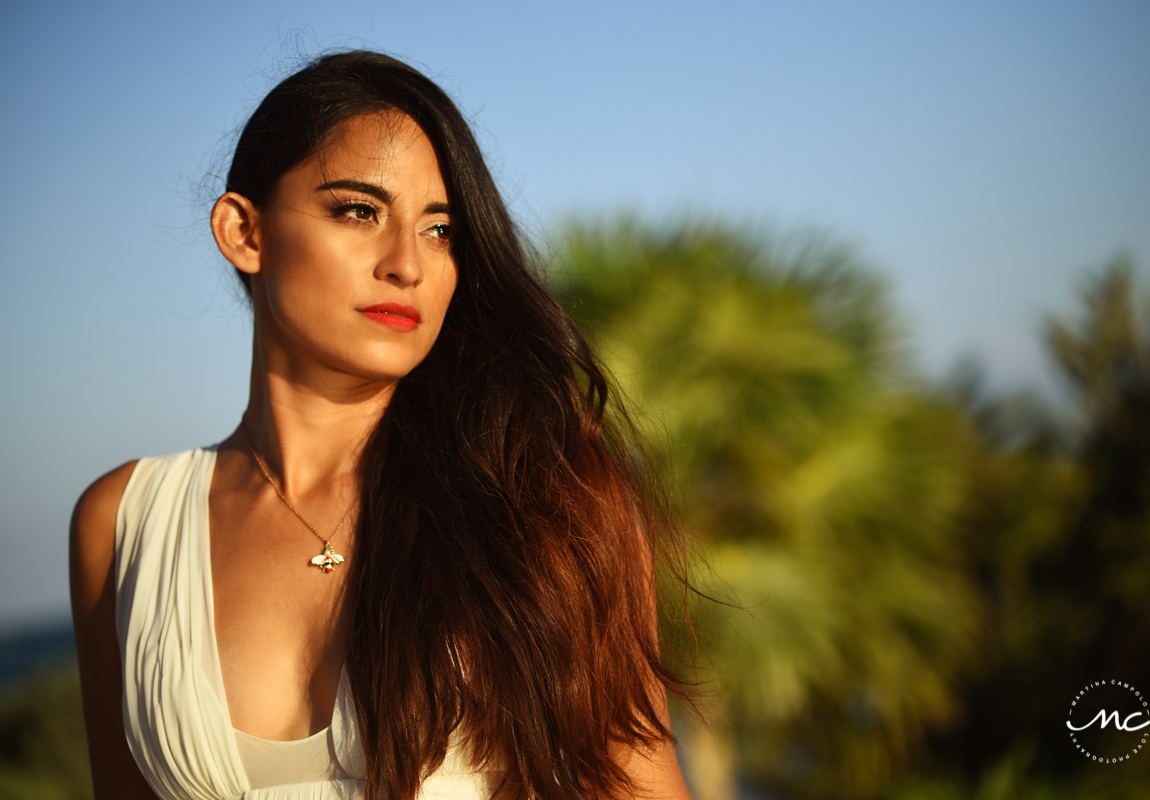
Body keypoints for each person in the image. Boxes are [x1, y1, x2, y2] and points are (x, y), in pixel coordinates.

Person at [70, 51, 693, 800]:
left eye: (439, 229)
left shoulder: (540, 489)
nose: (408, 263)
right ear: (244, 231)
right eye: (359, 211)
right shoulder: (125, 522)